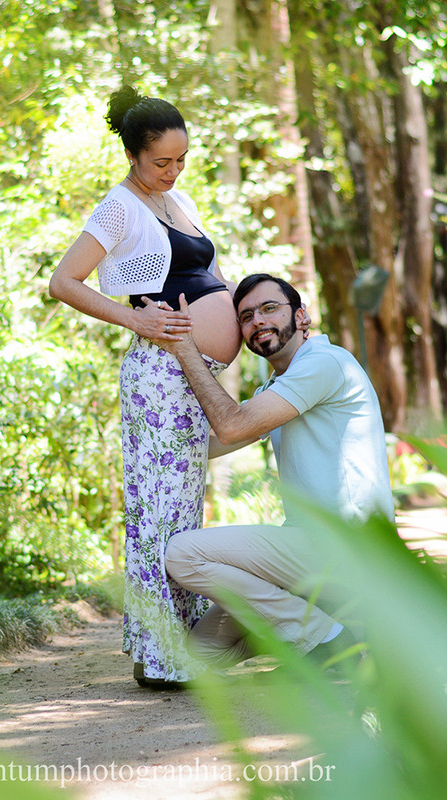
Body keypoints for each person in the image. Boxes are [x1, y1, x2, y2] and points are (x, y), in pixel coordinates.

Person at [48, 85, 241, 687]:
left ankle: (167, 648)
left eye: (182, 159)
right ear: (133, 154)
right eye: (162, 161)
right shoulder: (120, 206)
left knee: (183, 513)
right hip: (158, 376)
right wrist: (136, 318)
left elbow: (207, 276)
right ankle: (161, 660)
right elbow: (64, 282)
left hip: (192, 374)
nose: (173, 170)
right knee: (158, 512)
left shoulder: (178, 201)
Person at [158, 274, 393, 672]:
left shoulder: (324, 363)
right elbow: (213, 445)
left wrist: (185, 349)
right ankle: (325, 631)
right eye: (246, 316)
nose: (257, 321)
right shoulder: (279, 386)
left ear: (301, 317)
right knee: (202, 655)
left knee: (182, 554)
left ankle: (329, 639)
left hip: (348, 548)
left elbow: (231, 425)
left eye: (269, 308)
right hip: (308, 555)